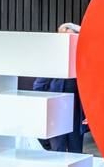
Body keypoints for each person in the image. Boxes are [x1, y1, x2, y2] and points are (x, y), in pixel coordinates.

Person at [34, 23, 85, 153]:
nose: (67, 41)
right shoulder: (54, 59)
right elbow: (39, 86)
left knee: (76, 149)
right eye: (63, 37)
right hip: (57, 110)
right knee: (58, 148)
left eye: (71, 37)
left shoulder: (83, 60)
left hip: (76, 111)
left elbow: (91, 91)